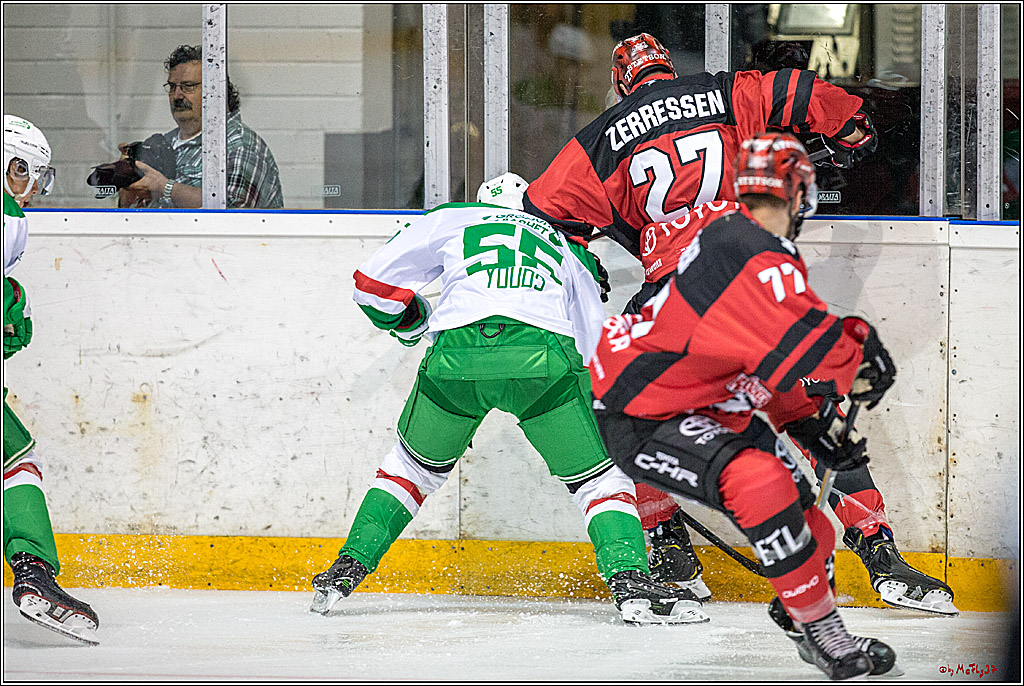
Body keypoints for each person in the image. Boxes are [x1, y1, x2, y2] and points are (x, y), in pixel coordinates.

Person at [524, 33, 955, 616]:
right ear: (668, 69)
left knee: (632, 416)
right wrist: (851, 127)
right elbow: (802, 92)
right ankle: (882, 557)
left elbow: (543, 216)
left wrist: (603, 244)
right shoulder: (723, 92)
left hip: (672, 298)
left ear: (624, 84)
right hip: (748, 287)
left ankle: (671, 551)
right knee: (812, 415)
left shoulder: (602, 136)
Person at [309, 172, 708, 626]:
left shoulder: (453, 217)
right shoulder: (567, 244)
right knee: (600, 481)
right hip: (544, 359)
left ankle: (343, 572)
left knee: (408, 471)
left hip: (455, 359)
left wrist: (415, 323)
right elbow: (594, 343)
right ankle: (631, 584)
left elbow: (371, 287)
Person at [589, 132, 897, 679]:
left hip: (706, 405)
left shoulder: (746, 242)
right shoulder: (749, 248)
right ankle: (822, 630)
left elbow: (766, 356)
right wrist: (849, 352)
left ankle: (800, 612)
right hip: (645, 410)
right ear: (800, 194)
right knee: (764, 485)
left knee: (814, 529)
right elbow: (796, 345)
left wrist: (805, 421)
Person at [3, 115, 100, 645]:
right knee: (15, 463)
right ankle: (34, 575)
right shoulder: (9, 217)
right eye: (28, 174)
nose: (34, 189)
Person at [120, 44, 283, 209]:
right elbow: (128, 215)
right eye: (172, 87)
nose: (177, 95)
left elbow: (235, 215)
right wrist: (127, 181)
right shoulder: (165, 143)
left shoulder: (239, 145)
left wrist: (165, 188)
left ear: (216, 90)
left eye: (188, 86)